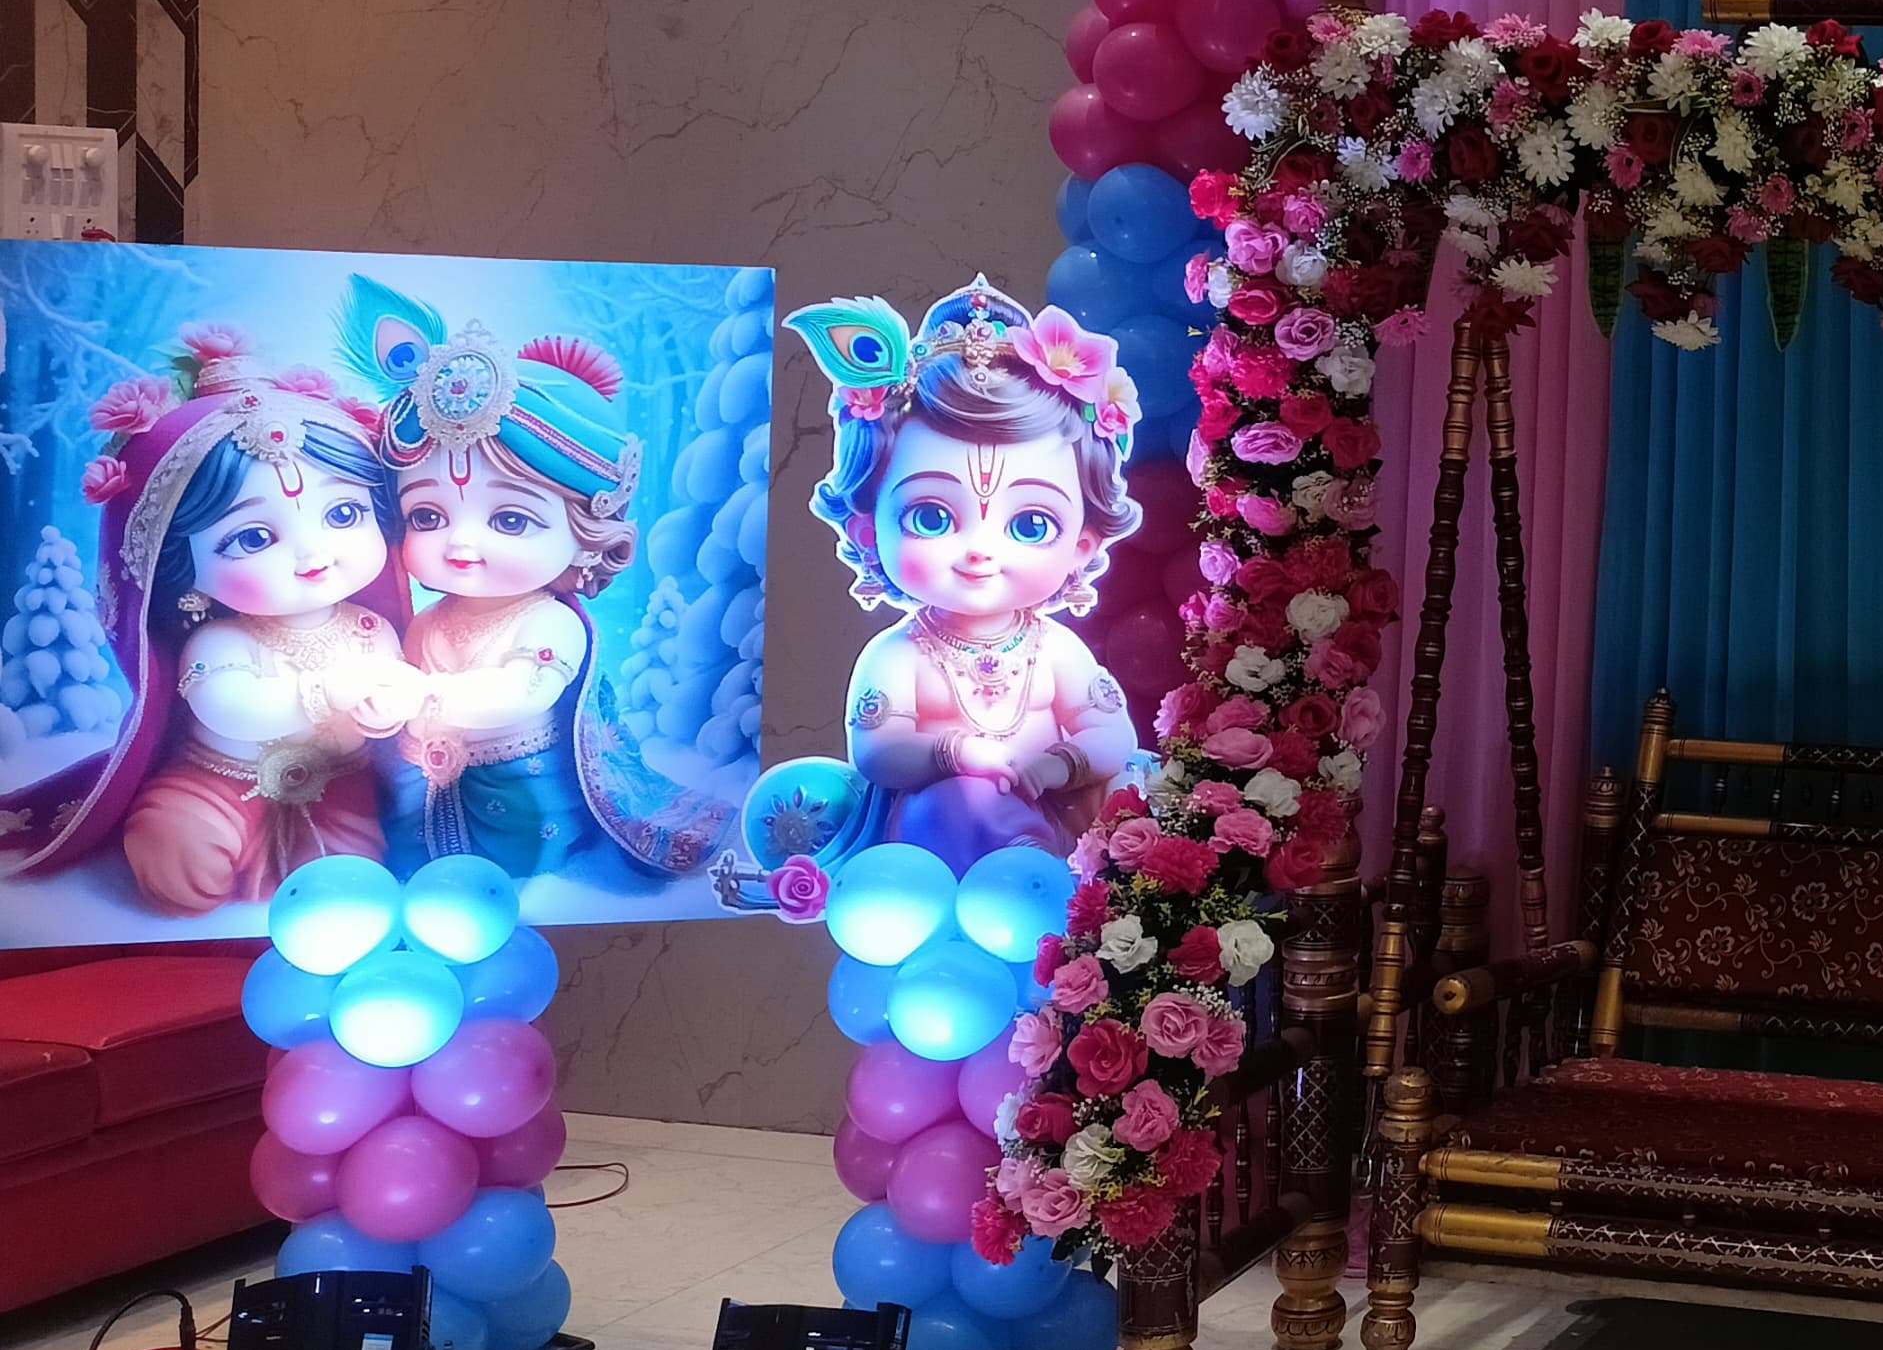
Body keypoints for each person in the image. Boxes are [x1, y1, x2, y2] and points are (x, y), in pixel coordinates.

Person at [0, 329, 413, 914]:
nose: (313, 554)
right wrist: (326, 693)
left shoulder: (370, 631)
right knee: (173, 845)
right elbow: (229, 708)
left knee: (351, 867)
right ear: (182, 567)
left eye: (343, 513)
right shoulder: (220, 641)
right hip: (219, 779)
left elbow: (390, 702)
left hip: (337, 785)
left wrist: (388, 705)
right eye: (254, 537)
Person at [342, 276, 709, 882]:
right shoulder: (429, 622)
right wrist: (379, 708)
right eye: (428, 517)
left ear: (585, 533)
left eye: (509, 520)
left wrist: (422, 696)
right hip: (426, 784)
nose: (460, 543)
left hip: (520, 794)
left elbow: (524, 691)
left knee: (502, 861)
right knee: (404, 848)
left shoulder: (549, 623)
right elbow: (400, 695)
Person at [793, 279, 1144, 867]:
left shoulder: (1055, 649)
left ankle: (1045, 876)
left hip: (1062, 818)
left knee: (1139, 792)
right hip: (940, 835)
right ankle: (1011, 867)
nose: (980, 550)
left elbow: (1112, 735)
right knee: (957, 803)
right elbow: (876, 753)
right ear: (866, 532)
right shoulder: (897, 654)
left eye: (1030, 525)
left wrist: (1057, 766)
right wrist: (955, 755)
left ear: (1082, 546)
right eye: (932, 518)